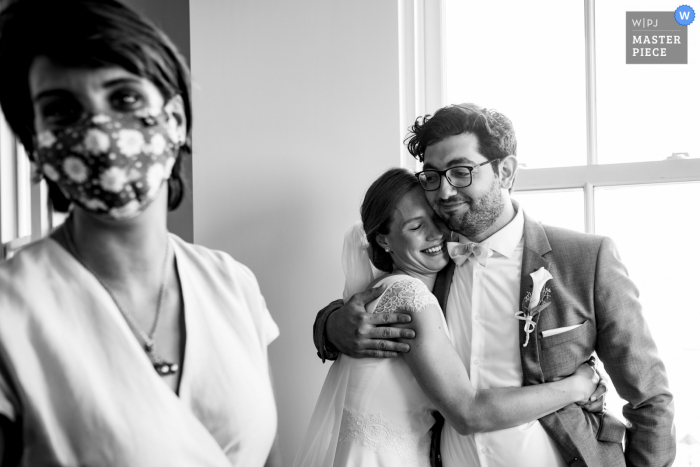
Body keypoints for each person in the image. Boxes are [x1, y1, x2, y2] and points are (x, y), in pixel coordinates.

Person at [313, 104, 676, 466]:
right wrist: (333, 325)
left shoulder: (584, 259)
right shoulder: (431, 258)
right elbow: (372, 298)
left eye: (460, 171)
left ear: (505, 170)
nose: (444, 192)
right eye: (433, 176)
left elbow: (650, 399)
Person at [0, 1, 280, 465]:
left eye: (125, 97)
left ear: (175, 120)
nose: (98, 132)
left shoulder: (234, 284)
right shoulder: (11, 314)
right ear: (37, 145)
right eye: (63, 111)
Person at [295, 168, 602, 467]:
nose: (435, 233)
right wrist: (577, 387)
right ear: (384, 241)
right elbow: (468, 412)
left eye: (436, 219)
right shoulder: (408, 294)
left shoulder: (384, 286)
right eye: (415, 227)